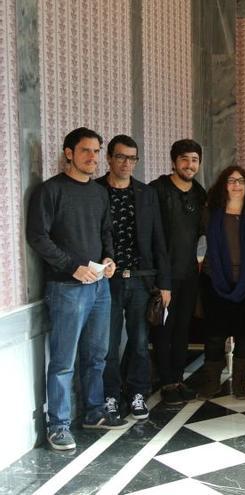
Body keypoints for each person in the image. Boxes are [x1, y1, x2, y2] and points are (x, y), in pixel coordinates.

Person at [26, 127, 128, 451]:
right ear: (69, 153)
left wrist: (109, 259)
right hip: (66, 288)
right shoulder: (50, 191)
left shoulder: (98, 193)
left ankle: (94, 411)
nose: (93, 158)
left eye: (97, 152)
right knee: (63, 360)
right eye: (86, 151)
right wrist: (72, 266)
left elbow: (106, 233)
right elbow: (38, 236)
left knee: (97, 354)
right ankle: (58, 424)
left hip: (100, 286)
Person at [97, 135, 171, 421]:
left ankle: (138, 393)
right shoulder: (95, 191)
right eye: (121, 157)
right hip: (107, 282)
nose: (127, 163)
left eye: (132, 158)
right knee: (109, 344)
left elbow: (158, 241)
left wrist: (164, 284)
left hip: (141, 280)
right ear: (109, 158)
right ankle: (111, 396)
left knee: (140, 342)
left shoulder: (145, 193)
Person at [198, 166, 245, 400]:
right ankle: (211, 384)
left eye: (241, 181)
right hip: (215, 280)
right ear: (223, 185)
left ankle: (239, 384)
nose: (236, 185)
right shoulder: (209, 213)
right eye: (231, 181)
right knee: (215, 335)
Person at [150, 139, 207, 405]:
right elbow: (152, 237)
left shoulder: (200, 193)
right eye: (184, 159)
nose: (190, 165)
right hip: (163, 275)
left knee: (183, 329)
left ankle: (178, 379)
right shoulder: (157, 190)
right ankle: (166, 383)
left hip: (188, 273)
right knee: (163, 330)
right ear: (174, 162)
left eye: (194, 160)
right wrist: (161, 280)